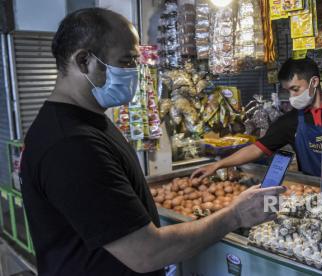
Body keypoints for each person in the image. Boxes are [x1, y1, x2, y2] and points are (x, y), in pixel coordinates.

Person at [19, 8, 284, 276]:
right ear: (85, 61)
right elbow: (146, 253)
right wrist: (235, 215)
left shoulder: (87, 121)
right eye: (126, 61)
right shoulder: (70, 146)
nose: (135, 71)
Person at [191, 58, 322, 180]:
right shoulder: (291, 121)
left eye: (295, 89)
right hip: (313, 189)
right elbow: (256, 149)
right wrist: (218, 164)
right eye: (288, 91)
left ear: (314, 82)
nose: (292, 96)